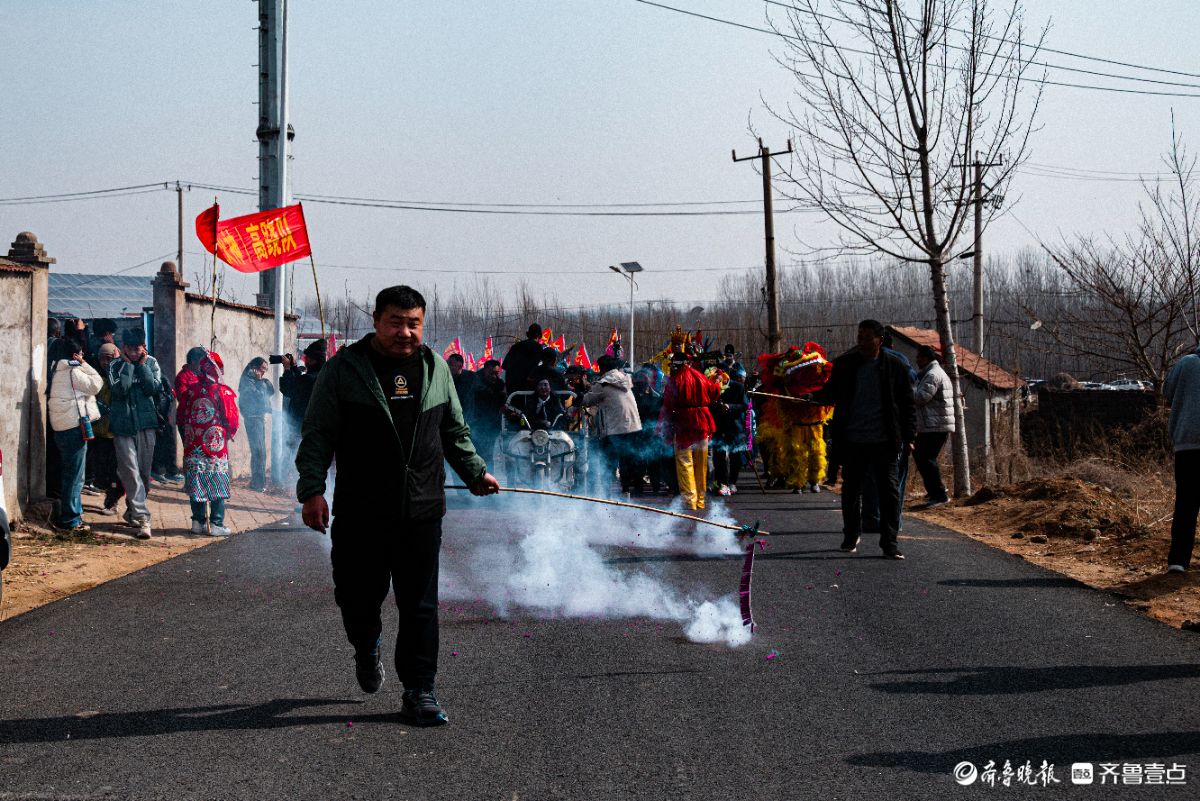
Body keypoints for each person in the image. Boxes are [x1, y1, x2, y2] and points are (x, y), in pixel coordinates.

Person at [295, 284, 500, 726]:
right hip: (361, 510)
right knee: (357, 597)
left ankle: (419, 689)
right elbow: (318, 436)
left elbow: (455, 432)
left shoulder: (436, 370)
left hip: (423, 508)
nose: (405, 332)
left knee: (420, 603)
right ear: (376, 321)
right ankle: (366, 647)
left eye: (414, 324)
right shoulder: (344, 370)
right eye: (396, 322)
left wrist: (474, 471)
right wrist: (312, 490)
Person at [810, 320, 916, 560]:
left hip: (884, 440)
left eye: (867, 337)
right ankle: (851, 535)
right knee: (850, 490)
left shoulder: (895, 367)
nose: (862, 341)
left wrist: (909, 436)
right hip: (853, 439)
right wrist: (812, 396)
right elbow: (831, 392)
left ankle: (889, 542)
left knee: (889, 492)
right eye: (859, 336)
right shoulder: (847, 365)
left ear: (880, 340)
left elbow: (907, 405)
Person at [108, 328, 163, 539]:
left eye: (137, 349)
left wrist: (141, 366)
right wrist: (129, 366)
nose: (132, 352)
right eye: (129, 349)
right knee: (130, 471)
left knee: (143, 474)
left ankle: (132, 510)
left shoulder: (152, 364)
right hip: (123, 426)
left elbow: (152, 389)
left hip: (147, 424)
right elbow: (120, 390)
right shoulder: (115, 365)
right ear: (124, 349)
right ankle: (143, 518)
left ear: (144, 348)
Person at [177, 351, 240, 536]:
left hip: (193, 447)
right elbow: (231, 419)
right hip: (215, 448)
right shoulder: (223, 391)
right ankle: (217, 524)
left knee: (196, 482)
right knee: (216, 482)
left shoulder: (190, 391)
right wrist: (228, 434)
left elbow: (180, 418)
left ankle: (197, 522)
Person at [861, 331, 918, 532]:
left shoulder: (861, 360)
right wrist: (910, 436)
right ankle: (894, 522)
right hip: (896, 433)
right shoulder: (901, 361)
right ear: (891, 345)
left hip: (868, 432)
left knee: (869, 477)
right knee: (896, 479)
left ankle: (870, 520)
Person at [47, 338, 103, 534]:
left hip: (61, 428)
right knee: (75, 476)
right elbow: (97, 384)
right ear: (75, 355)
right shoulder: (73, 371)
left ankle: (74, 514)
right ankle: (70, 519)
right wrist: (84, 364)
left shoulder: (56, 370)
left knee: (70, 473)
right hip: (73, 427)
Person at [659, 350, 721, 511]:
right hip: (702, 423)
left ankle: (689, 500)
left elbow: (668, 405)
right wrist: (718, 380)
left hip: (684, 424)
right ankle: (700, 500)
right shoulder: (701, 376)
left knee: (685, 462)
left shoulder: (675, 380)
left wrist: (664, 426)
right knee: (701, 463)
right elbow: (714, 392)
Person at [1164, 342, 1200, 572]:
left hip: (1187, 444)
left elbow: (1167, 392)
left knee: (1186, 502)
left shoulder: (1187, 363)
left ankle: (1178, 561)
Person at [584, 356, 642, 495]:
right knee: (627, 459)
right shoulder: (624, 379)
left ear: (602, 368)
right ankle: (627, 490)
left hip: (614, 428)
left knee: (609, 460)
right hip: (632, 426)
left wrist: (581, 392)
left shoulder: (604, 383)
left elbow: (587, 400)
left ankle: (607, 493)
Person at [911, 344, 954, 507]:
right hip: (933, 424)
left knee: (925, 457)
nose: (917, 360)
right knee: (923, 456)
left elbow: (921, 397)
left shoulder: (933, 375)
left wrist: (907, 391)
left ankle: (939, 495)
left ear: (927, 358)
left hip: (935, 424)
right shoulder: (929, 373)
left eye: (919, 357)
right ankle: (935, 492)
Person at [92, 343, 125, 516]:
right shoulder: (95, 374)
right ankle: (110, 498)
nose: (105, 362)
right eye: (102, 358)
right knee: (102, 470)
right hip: (100, 431)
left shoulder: (120, 375)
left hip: (116, 432)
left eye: (109, 358)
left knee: (115, 471)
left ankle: (112, 502)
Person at [712, 366, 750, 496]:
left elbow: (745, 405)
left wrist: (730, 407)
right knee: (718, 456)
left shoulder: (738, 387)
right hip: (719, 426)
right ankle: (722, 482)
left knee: (736, 456)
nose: (716, 378)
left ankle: (732, 482)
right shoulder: (713, 386)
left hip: (735, 427)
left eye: (718, 376)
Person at [238, 357, 275, 492]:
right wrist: (260, 382)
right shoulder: (247, 381)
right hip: (252, 418)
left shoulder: (257, 380)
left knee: (260, 451)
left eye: (265, 370)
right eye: (262, 369)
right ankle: (258, 483)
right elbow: (258, 396)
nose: (263, 373)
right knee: (258, 451)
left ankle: (258, 482)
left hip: (258, 417)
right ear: (254, 367)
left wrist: (262, 381)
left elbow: (271, 391)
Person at [470, 359, 507, 464]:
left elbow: (503, 400)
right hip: (475, 422)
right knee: (475, 452)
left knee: (489, 452)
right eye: (491, 373)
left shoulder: (500, 384)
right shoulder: (475, 379)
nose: (494, 376)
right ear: (485, 370)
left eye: (496, 373)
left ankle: (489, 476)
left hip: (492, 423)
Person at [501, 323, 545, 395]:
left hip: (511, 390)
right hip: (528, 391)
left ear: (528, 334)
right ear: (539, 336)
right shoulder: (538, 348)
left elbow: (504, 366)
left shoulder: (515, 346)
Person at [446, 353, 476, 424]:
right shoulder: (446, 378)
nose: (447, 366)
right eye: (447, 363)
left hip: (468, 419)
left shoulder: (472, 377)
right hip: (450, 417)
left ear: (460, 366)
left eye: (451, 364)